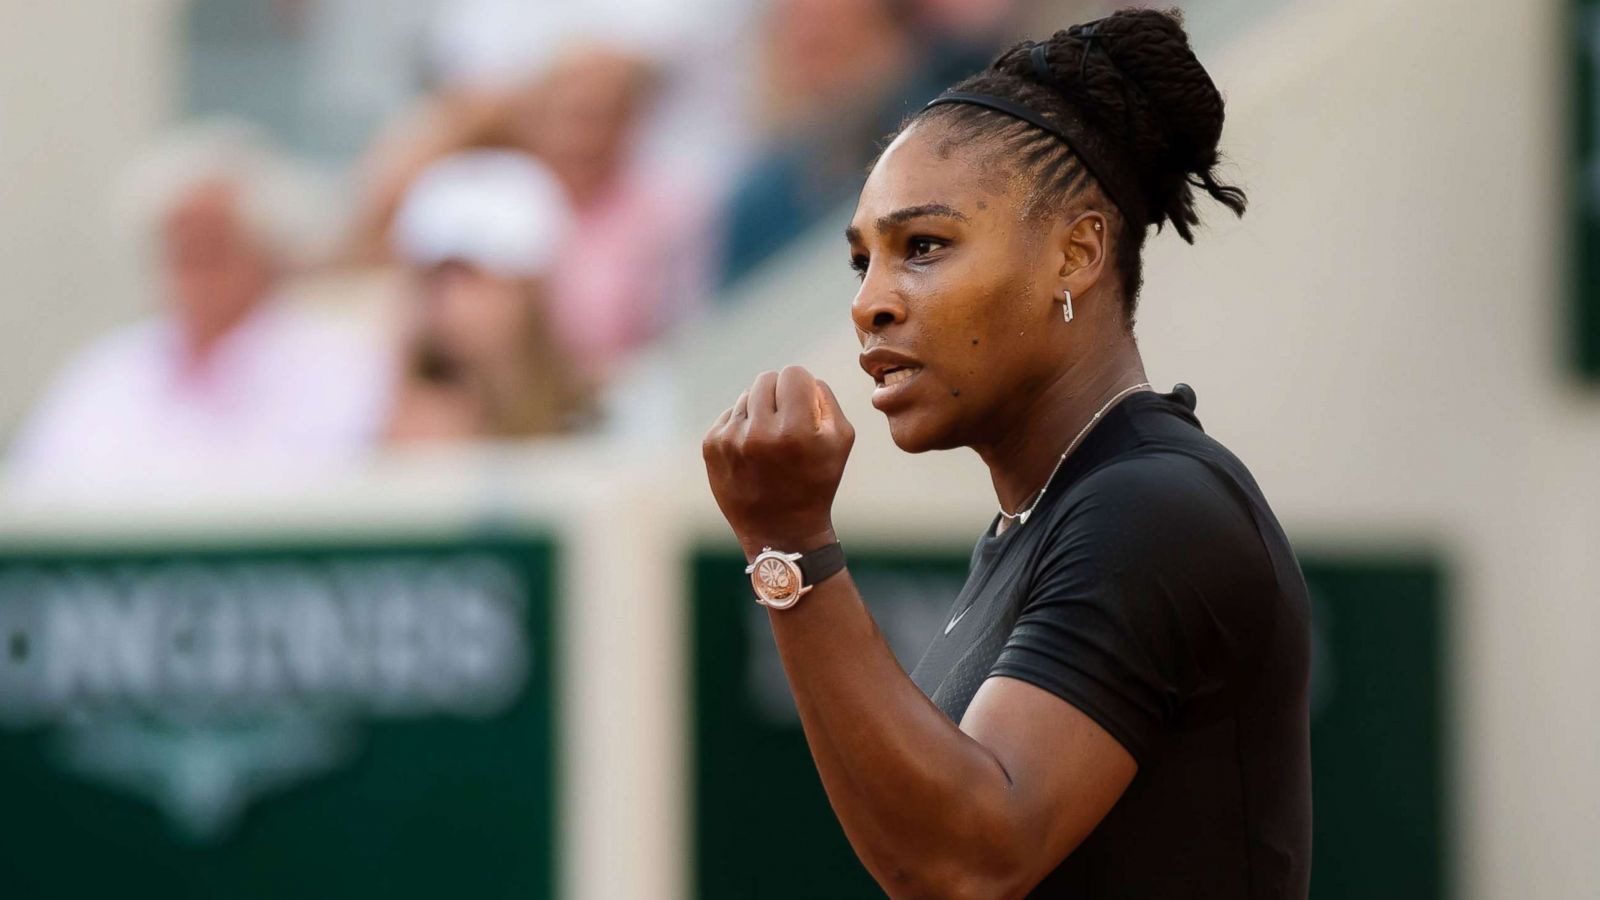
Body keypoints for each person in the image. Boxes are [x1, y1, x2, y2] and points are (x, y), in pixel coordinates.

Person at [702, 10, 1311, 898]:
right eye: (861, 261)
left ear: (1077, 252)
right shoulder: (1049, 517)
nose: (870, 303)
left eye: (923, 248)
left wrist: (788, 542)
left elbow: (969, 859)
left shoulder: (1153, 509)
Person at [5, 121, 390, 503]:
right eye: (179, 249)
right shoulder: (105, 372)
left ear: (269, 252)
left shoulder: (340, 366)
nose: (194, 270)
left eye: (212, 247)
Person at [386, 149, 592, 442]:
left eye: (472, 279)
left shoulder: (599, 414)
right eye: (436, 280)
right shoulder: (398, 414)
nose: (452, 301)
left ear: (529, 288)